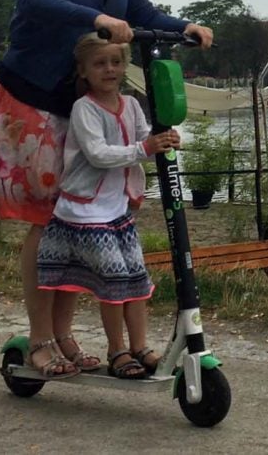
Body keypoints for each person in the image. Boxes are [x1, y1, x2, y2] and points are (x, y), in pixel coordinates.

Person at [0, 0, 213, 378]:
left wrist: (185, 26)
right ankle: (41, 337)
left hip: (85, 103)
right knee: (47, 219)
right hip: (34, 99)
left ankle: (64, 335)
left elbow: (144, 11)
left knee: (76, 221)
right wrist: (97, 19)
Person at [36, 33, 174, 379]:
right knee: (113, 281)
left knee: (137, 279)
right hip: (85, 213)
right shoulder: (84, 109)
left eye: (116, 62)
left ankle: (140, 345)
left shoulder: (130, 104)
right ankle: (118, 350)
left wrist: (164, 139)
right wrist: (145, 149)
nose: (109, 69)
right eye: (100, 64)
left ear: (125, 67)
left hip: (117, 210)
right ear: (84, 70)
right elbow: (98, 154)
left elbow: (145, 136)